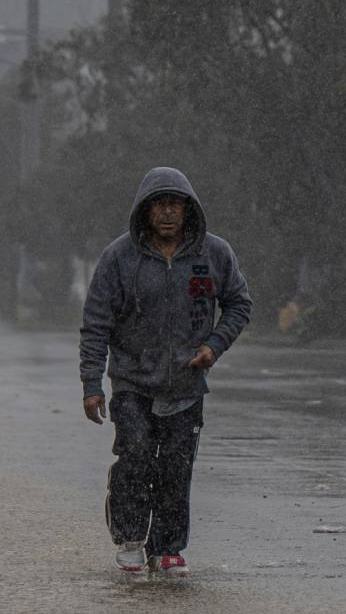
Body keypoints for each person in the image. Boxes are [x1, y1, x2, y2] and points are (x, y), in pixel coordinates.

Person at [79, 166, 252, 575]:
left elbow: (239, 304)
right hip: (132, 383)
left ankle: (168, 547)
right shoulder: (119, 258)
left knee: (176, 469)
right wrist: (92, 384)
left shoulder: (214, 254)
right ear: (145, 211)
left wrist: (214, 344)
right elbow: (96, 323)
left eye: (176, 205)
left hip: (187, 385)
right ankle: (131, 537)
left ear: (189, 211)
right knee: (136, 458)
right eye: (160, 205)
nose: (169, 213)